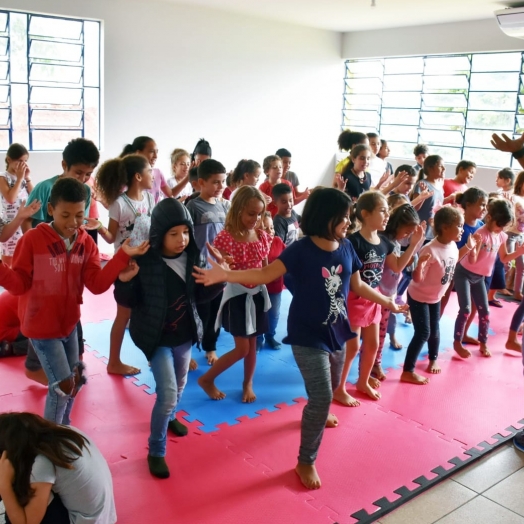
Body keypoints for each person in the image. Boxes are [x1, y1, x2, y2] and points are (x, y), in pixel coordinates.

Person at [193, 187, 405, 490]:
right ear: (324, 217)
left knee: (329, 390)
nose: (349, 221)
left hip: (338, 332)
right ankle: (306, 460)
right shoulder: (301, 250)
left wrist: (387, 302)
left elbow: (356, 285)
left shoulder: (346, 246)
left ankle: (320, 412)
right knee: (320, 397)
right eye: (343, 217)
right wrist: (227, 276)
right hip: (307, 336)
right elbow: (264, 274)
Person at [0, 178, 148, 424]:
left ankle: (64, 429)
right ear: (51, 210)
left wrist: (122, 257)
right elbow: (19, 284)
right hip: (41, 328)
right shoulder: (32, 240)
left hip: (69, 325)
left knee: (76, 380)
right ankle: (51, 442)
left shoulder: (85, 242)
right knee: (62, 385)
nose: (73, 223)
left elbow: (97, 284)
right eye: (65, 215)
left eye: (79, 215)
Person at [114, 198, 224, 479]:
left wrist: (219, 279)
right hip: (156, 337)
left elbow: (200, 297)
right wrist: (124, 281)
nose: (182, 239)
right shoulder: (146, 260)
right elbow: (130, 300)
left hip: (184, 334)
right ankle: (156, 449)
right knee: (167, 394)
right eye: (173, 234)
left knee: (181, 381)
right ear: (159, 233)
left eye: (185, 232)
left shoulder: (193, 257)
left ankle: (172, 416)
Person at [334, 192, 419, 402]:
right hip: (355, 299)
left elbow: (398, 266)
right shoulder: (353, 242)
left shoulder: (384, 242)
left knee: (371, 344)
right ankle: (339, 388)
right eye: (382, 211)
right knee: (352, 346)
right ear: (365, 214)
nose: (387, 215)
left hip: (374, 299)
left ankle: (362, 381)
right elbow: (356, 284)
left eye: (387, 211)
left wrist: (415, 244)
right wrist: (385, 300)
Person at [197, 186, 271, 402]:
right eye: (251, 213)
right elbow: (221, 270)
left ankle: (247, 383)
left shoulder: (261, 236)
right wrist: (224, 263)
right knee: (242, 348)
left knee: (253, 344)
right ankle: (207, 379)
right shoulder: (226, 238)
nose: (255, 219)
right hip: (237, 296)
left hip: (257, 294)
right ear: (238, 210)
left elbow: (265, 269)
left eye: (259, 214)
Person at [95, 154, 155, 376]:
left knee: (151, 312)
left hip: (147, 264)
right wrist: (99, 226)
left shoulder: (149, 198)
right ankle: (113, 362)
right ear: (138, 176)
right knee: (124, 315)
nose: (153, 174)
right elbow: (111, 238)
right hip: (126, 267)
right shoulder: (119, 203)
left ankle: (154, 356)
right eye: (149, 171)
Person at [0, 412, 116, 524]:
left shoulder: (42, 462)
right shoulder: (64, 432)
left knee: (17, 493)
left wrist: (4, 485)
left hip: (84, 520)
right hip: (103, 516)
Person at [401, 206, 469, 385]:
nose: (462, 229)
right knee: (423, 332)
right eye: (459, 226)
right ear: (445, 227)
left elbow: (453, 260)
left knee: (435, 330)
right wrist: (419, 268)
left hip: (435, 297)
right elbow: (417, 279)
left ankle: (433, 358)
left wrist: (469, 247)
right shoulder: (430, 249)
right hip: (418, 296)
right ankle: (407, 370)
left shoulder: (453, 245)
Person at [453, 198, 524, 359]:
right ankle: (457, 342)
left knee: (484, 311)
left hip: (480, 277)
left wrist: (519, 252)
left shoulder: (502, 236)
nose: (501, 229)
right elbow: (472, 260)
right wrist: (472, 249)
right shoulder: (481, 234)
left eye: (504, 227)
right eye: (500, 225)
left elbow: (504, 258)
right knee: (465, 309)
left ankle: (483, 342)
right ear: (490, 218)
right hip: (464, 273)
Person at [373, 203, 425, 380]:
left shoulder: (394, 242)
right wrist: (414, 244)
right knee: (371, 337)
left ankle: (376, 364)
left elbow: (403, 264)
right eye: (407, 232)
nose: (408, 236)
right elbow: (396, 266)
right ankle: (369, 367)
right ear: (396, 225)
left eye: (411, 234)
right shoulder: (384, 241)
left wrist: (414, 245)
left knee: (380, 335)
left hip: (387, 296)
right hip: (374, 297)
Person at [186, 159, 230, 366]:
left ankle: (210, 347)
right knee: (199, 310)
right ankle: (186, 350)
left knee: (215, 311)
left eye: (223, 182)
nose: (220, 187)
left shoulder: (223, 205)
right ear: (201, 182)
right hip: (199, 268)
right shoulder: (193, 206)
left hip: (218, 269)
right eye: (215, 182)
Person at [25, 138, 99, 228]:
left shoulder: (86, 190)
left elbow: (80, 224)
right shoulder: (44, 188)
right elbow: (26, 221)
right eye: (78, 173)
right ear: (64, 165)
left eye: (88, 174)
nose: (83, 178)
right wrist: (32, 242)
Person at [440, 187, 487, 319]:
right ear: (469, 205)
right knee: (443, 296)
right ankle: (434, 324)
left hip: (471, 271)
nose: (485, 208)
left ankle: (463, 333)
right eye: (482, 204)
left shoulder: (481, 226)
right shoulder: (458, 226)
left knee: (472, 304)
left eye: (486, 205)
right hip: (451, 267)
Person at [0, 143, 33, 266]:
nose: (23, 164)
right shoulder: (3, 177)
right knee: (9, 260)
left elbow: (34, 195)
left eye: (25, 161)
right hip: (9, 224)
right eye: (19, 161)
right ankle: (9, 285)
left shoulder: (23, 177)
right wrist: (19, 179)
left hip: (24, 222)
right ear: (9, 159)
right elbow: (10, 199)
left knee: (23, 257)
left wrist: (27, 178)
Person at [257, 212, 286, 350]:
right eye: (266, 228)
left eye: (272, 227)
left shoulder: (278, 241)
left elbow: (288, 258)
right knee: (258, 313)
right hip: (258, 287)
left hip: (275, 286)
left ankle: (270, 337)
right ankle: (258, 339)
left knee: (273, 314)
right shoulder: (254, 244)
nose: (270, 231)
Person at [120, 136, 174, 202]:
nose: (156, 156)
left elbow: (170, 194)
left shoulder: (158, 173)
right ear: (138, 153)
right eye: (151, 151)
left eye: (157, 152)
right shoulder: (126, 175)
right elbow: (114, 203)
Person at [411, 155, 445, 240]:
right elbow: (414, 208)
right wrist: (422, 196)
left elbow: (437, 205)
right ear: (430, 168)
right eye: (441, 166)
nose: (444, 169)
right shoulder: (422, 184)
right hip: (421, 231)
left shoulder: (440, 186)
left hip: (433, 231)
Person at [505, 171, 524, 301]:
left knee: (521, 265)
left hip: (520, 235)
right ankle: (494, 288)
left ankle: (517, 292)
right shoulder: (514, 198)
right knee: (506, 264)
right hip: (510, 234)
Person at [272, 183, 301, 247]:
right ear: (275, 203)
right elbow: (279, 246)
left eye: (291, 200)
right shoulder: (278, 222)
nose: (288, 204)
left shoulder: (293, 213)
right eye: (284, 202)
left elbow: (303, 222)